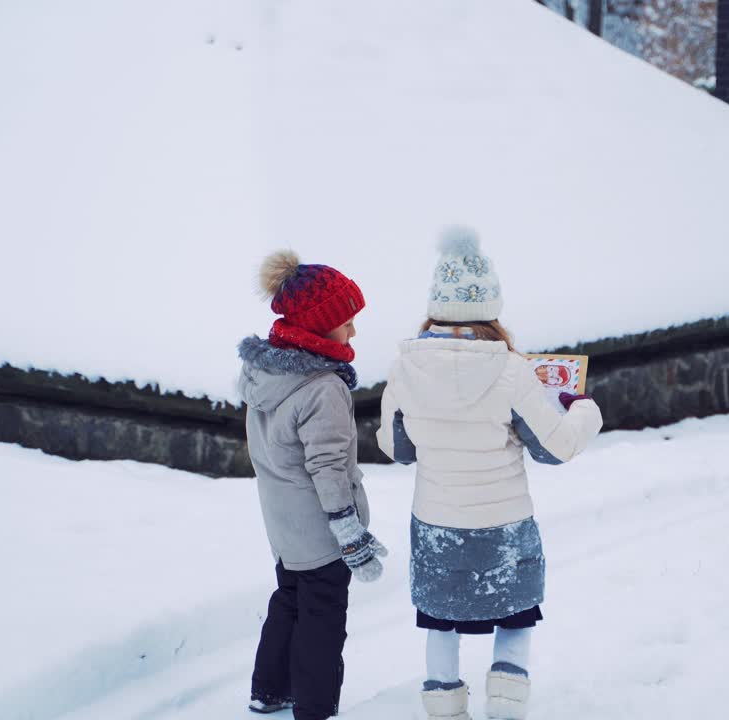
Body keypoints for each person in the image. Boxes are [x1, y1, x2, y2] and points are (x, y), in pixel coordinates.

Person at [377, 227, 603, 720]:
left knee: (440, 620)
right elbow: (555, 449)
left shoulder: (404, 368)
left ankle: (443, 706)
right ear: (491, 309)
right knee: (516, 615)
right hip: (503, 526)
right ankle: (505, 705)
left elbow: (398, 449)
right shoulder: (513, 372)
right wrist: (583, 409)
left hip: (436, 526)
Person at [238, 250, 388, 720]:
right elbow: (328, 466)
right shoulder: (323, 387)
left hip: (283, 526)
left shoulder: (265, 373)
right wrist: (349, 534)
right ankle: (315, 707)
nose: (353, 331)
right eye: (346, 321)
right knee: (322, 620)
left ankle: (270, 689)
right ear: (321, 326)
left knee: (290, 601)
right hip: (321, 532)